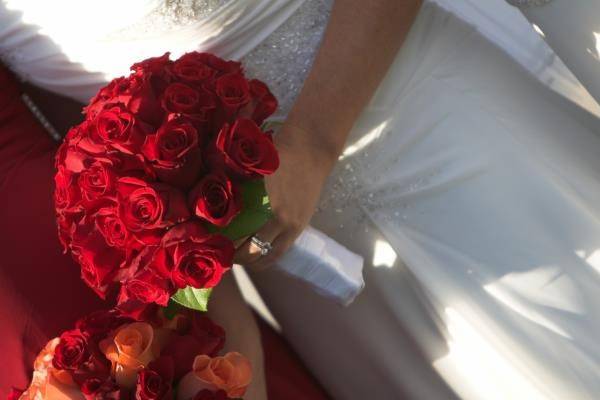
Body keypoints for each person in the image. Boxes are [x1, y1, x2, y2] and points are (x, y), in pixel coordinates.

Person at [2, 0, 600, 398]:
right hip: (303, 267)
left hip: (430, 119)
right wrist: (205, 314)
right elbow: (87, 144)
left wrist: (312, 141)